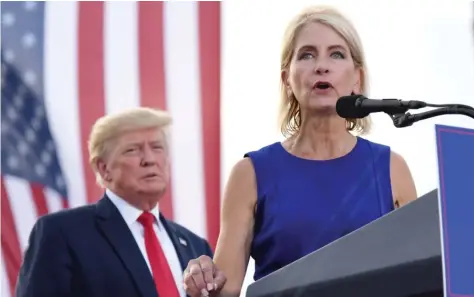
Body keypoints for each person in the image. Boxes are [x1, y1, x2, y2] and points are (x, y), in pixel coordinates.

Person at [183, 5, 418, 297]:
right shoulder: (250, 173)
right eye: (307, 55)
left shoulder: (392, 168)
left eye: (336, 54)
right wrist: (202, 280)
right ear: (287, 79)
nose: (322, 65)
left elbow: (418, 276)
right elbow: (223, 290)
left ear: (357, 78)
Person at [15, 107, 220, 297]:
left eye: (157, 148)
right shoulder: (62, 233)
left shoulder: (195, 246)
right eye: (133, 150)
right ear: (104, 168)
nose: (149, 159)